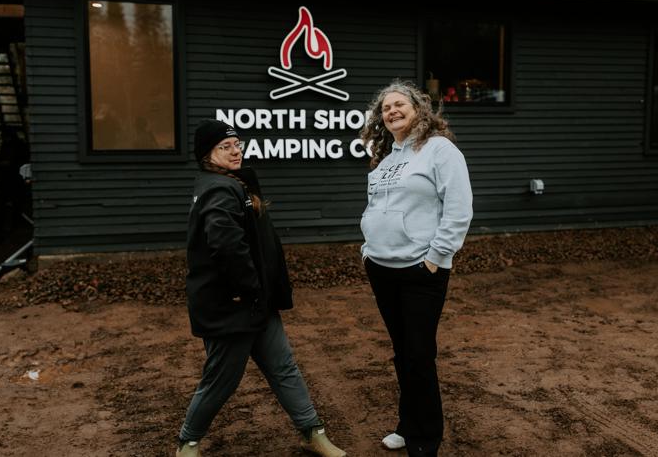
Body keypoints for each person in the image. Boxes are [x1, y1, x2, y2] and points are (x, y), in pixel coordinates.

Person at [177, 119, 346, 457]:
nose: (235, 150)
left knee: (284, 367)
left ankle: (312, 431)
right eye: (225, 146)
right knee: (220, 380)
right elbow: (225, 245)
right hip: (234, 304)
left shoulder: (231, 183)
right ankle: (188, 443)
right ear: (208, 155)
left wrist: (259, 293)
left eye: (237, 143)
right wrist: (250, 288)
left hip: (256, 301)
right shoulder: (218, 189)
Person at [359, 80, 473, 457]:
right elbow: (375, 209)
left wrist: (436, 258)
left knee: (419, 353)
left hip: (420, 270)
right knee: (401, 351)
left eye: (398, 104)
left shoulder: (439, 150)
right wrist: (367, 248)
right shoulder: (386, 160)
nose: (390, 111)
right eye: (385, 108)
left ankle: (426, 439)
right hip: (382, 267)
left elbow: (458, 209)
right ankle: (408, 425)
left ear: (418, 109)